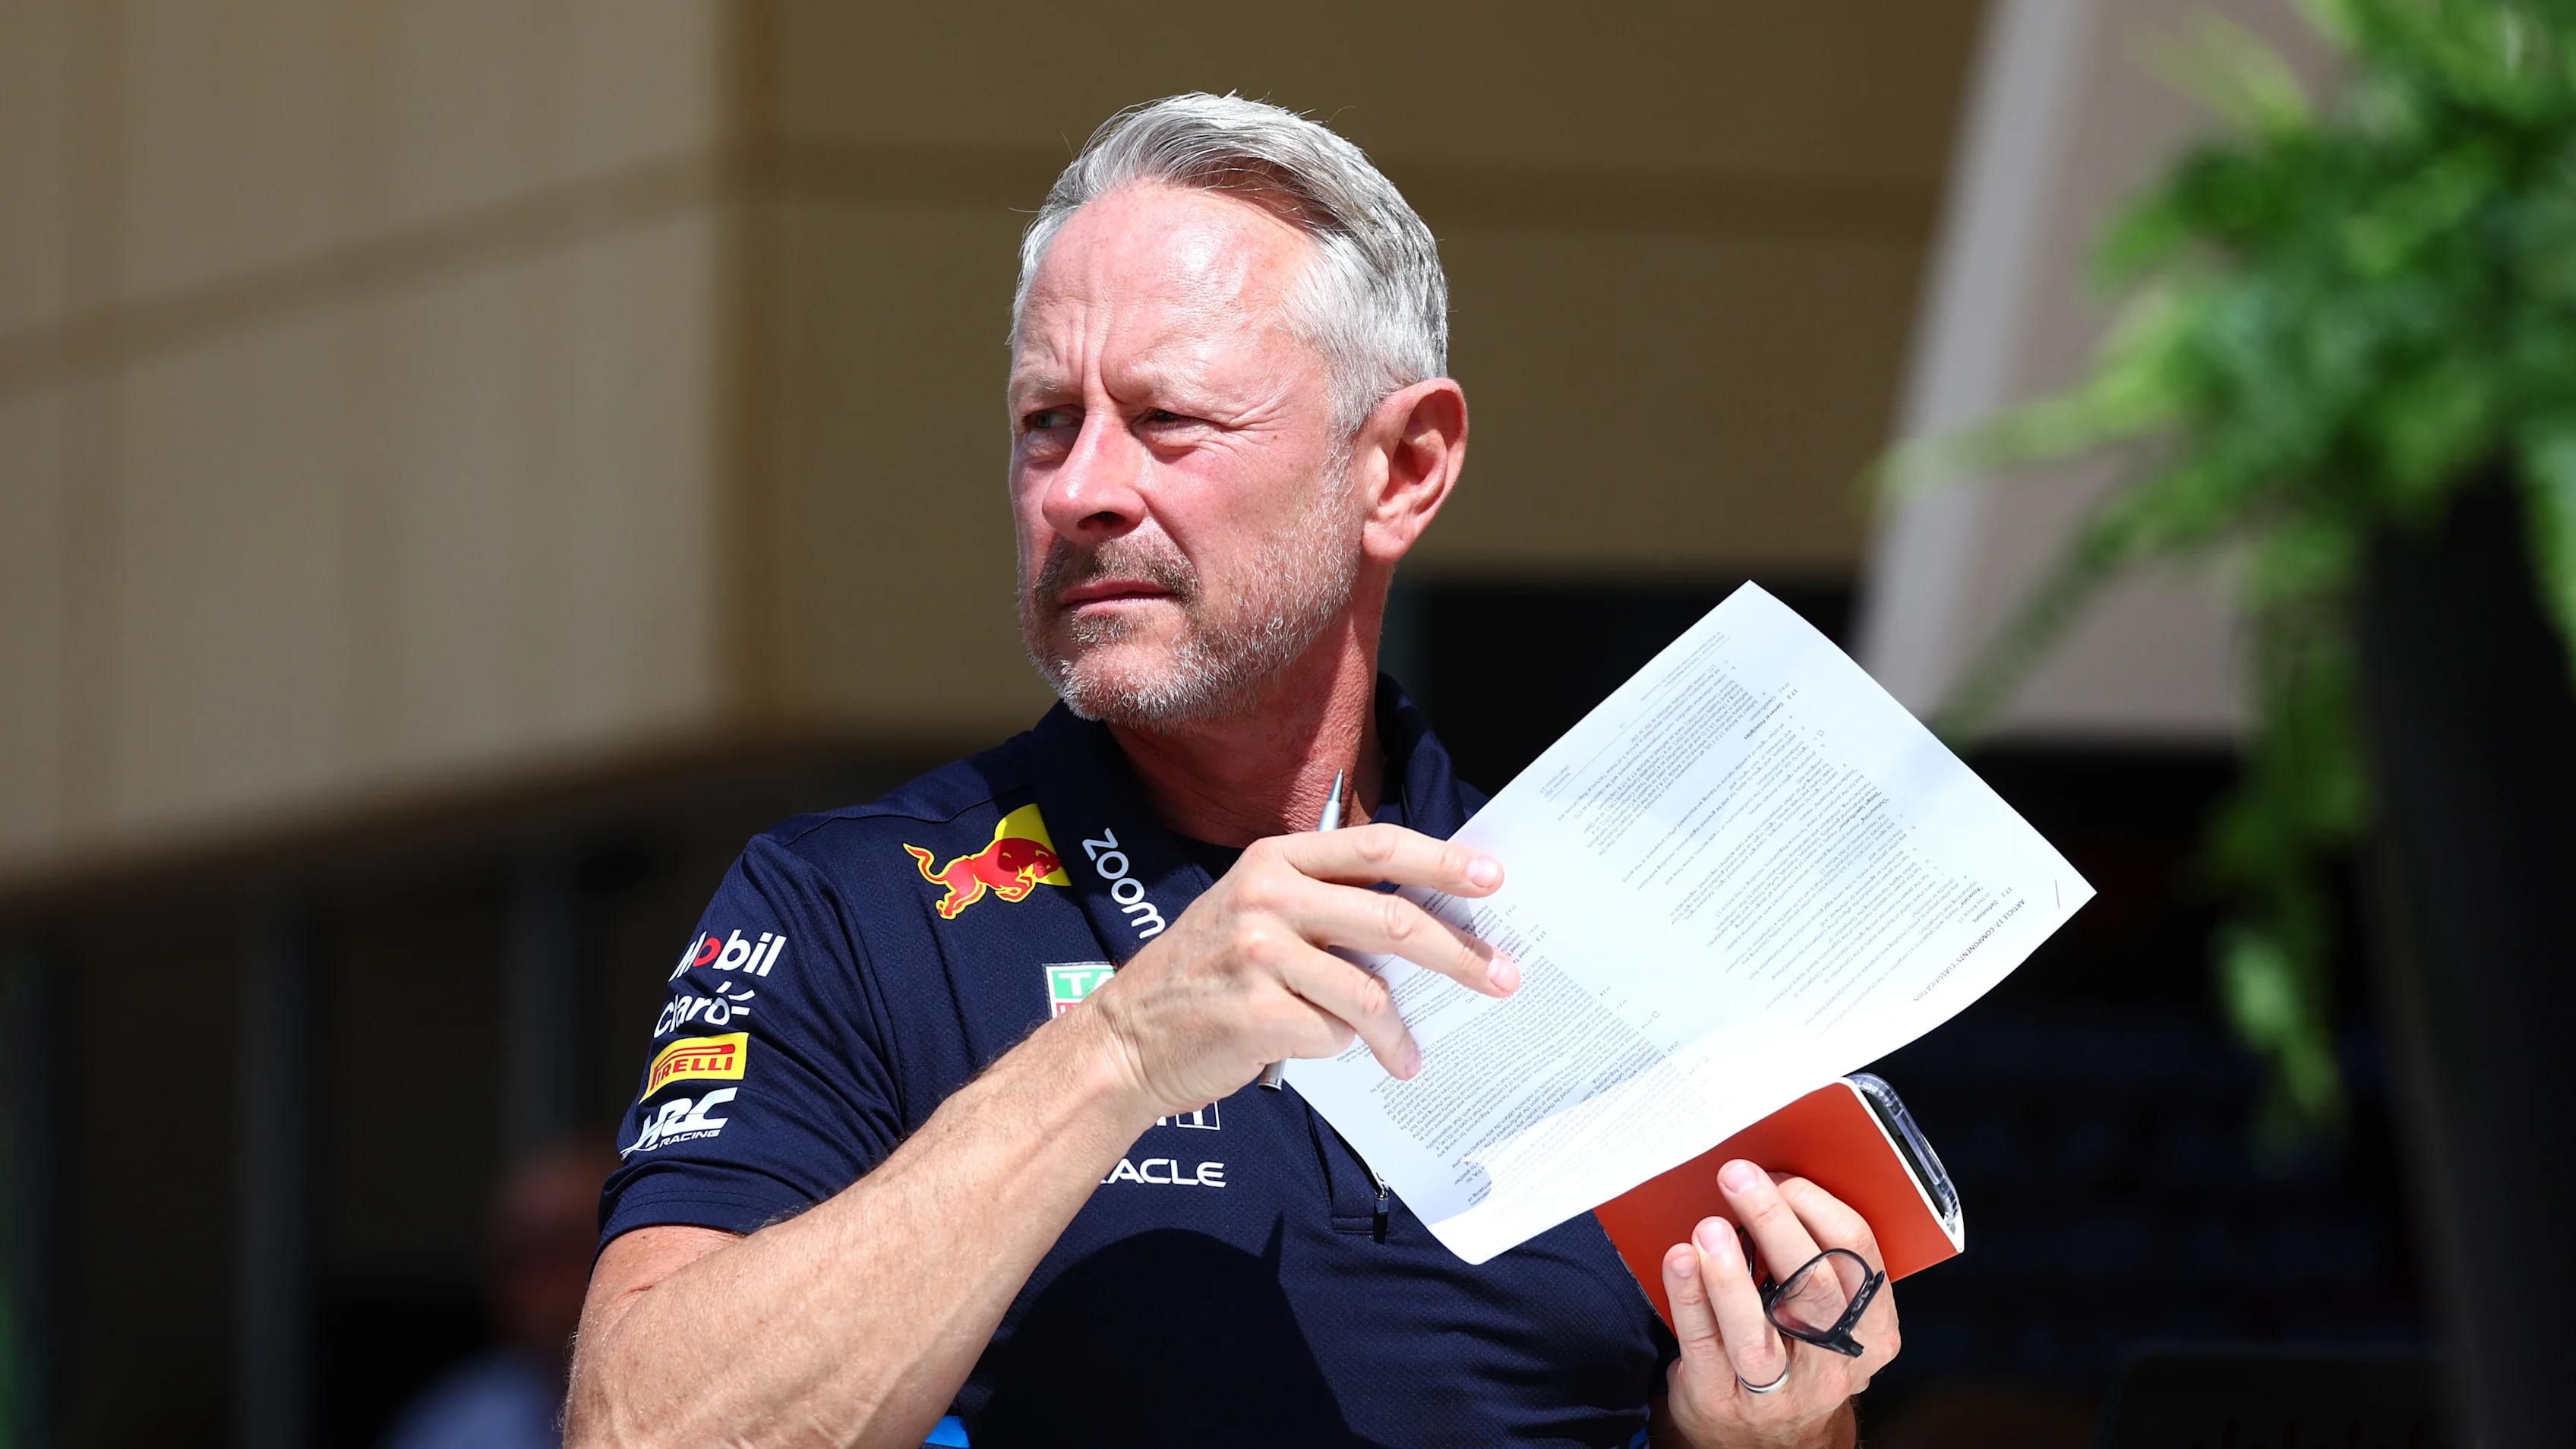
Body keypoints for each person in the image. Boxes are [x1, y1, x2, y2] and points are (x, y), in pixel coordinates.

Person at [567, 94, 1900, 1449]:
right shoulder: (855, 906)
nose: (1079, 487)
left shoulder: (1610, 935)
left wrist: (1772, 1428)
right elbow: (638, 1429)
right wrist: (1122, 1050)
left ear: (1402, 468)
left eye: (1167, 418)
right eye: (1044, 419)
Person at [384, 1144, 614, 1449]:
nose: (539, 1285)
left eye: (564, 1251)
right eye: (518, 1259)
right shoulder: (459, 1424)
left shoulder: (682, 1399)